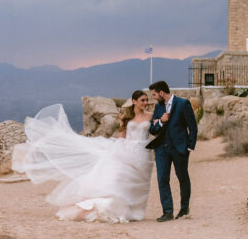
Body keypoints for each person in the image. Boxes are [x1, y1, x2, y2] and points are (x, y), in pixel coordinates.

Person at [12, 90, 154, 222]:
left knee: (140, 183)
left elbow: (157, 130)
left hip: (144, 152)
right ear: (134, 101)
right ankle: (117, 208)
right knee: (121, 179)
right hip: (127, 151)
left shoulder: (150, 116)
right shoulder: (127, 118)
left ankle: (135, 212)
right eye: (142, 100)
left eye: (146, 100)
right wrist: (118, 151)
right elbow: (122, 137)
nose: (145, 103)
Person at [147, 80, 197, 222]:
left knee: (182, 178)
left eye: (155, 94)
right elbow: (152, 129)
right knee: (162, 179)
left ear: (162, 93)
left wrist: (189, 147)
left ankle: (184, 208)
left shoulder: (183, 104)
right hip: (161, 149)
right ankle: (167, 212)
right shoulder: (158, 107)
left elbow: (192, 127)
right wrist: (161, 121)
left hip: (180, 148)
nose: (154, 97)